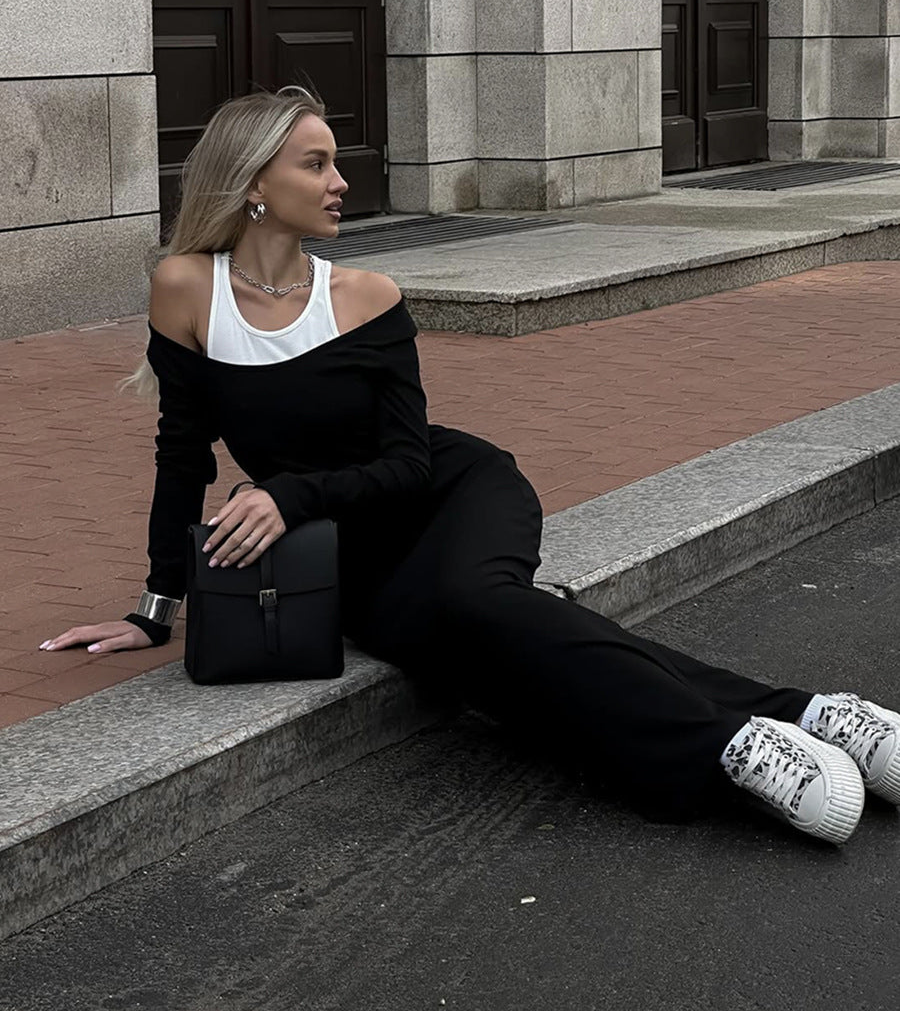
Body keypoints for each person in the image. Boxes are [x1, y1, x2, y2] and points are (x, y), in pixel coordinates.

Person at [39, 87, 900, 845]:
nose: (340, 181)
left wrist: (287, 492)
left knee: (475, 606)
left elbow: (409, 465)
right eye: (316, 163)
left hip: (452, 493)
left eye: (337, 161)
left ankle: (729, 746)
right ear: (254, 183)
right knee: (488, 651)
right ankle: (807, 716)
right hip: (348, 558)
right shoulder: (187, 287)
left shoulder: (368, 297)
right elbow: (181, 454)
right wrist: (156, 609)